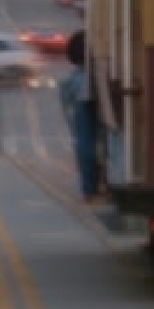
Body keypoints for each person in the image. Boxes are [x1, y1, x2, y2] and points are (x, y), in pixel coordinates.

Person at [59, 30, 104, 200]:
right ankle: (92, 185)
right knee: (92, 143)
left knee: (83, 142)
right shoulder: (89, 78)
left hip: (78, 105)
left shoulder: (69, 82)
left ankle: (89, 187)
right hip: (86, 102)